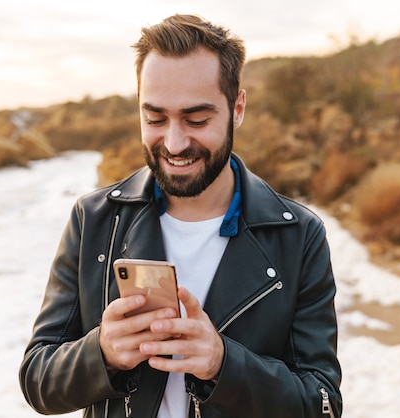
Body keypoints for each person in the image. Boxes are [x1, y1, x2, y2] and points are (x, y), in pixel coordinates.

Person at [19, 14, 342, 418]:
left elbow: (323, 404)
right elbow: (37, 382)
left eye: (197, 119)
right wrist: (101, 353)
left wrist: (224, 365)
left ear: (237, 108)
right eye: (155, 118)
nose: (174, 143)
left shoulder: (299, 236)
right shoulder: (93, 219)